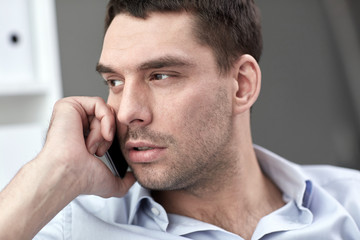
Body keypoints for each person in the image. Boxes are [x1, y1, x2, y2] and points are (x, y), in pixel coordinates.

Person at [1, 0, 359, 239]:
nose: (126, 112)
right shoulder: (69, 226)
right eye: (115, 82)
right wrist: (54, 174)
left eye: (160, 76)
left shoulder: (350, 204)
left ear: (241, 85)